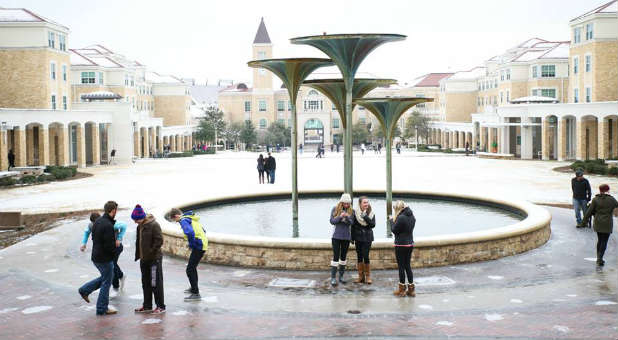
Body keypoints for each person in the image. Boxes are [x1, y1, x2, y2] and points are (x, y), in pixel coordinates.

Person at [78, 201, 118, 315]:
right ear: (113, 210)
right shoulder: (108, 225)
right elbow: (109, 245)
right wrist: (114, 253)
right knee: (107, 282)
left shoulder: (97, 222)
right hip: (104, 258)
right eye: (116, 210)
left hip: (96, 256)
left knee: (107, 278)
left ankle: (85, 290)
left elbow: (94, 239)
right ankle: (102, 308)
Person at [165, 208, 208, 301]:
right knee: (192, 267)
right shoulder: (191, 218)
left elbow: (189, 232)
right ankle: (194, 288)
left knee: (190, 269)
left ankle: (196, 293)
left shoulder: (183, 220)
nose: (176, 222)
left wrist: (192, 244)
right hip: (202, 244)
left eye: (174, 220)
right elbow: (203, 231)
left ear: (176, 216)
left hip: (198, 246)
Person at [132, 204, 166, 314]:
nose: (135, 222)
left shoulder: (154, 225)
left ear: (142, 217)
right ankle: (147, 306)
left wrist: (151, 251)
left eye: (136, 219)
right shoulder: (140, 226)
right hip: (144, 259)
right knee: (145, 283)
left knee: (155, 283)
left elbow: (159, 240)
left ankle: (160, 306)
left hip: (154, 260)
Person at [81, 214, 127, 292]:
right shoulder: (92, 226)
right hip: (107, 248)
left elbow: (124, 226)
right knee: (111, 266)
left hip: (117, 247)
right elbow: (86, 232)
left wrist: (119, 239)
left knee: (112, 265)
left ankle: (116, 286)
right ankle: (121, 276)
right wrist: (84, 243)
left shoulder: (110, 224)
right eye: (95, 223)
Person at [583, 184, 618, 267]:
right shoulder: (612, 199)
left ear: (600, 190)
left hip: (598, 222)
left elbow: (589, 212)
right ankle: (600, 258)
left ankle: (599, 257)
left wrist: (583, 222)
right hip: (607, 223)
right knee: (604, 241)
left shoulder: (595, 199)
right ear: (608, 190)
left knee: (600, 240)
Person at [390, 200, 416, 297]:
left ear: (398, 209)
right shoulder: (412, 216)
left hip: (401, 245)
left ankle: (401, 290)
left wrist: (391, 221)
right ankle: (411, 290)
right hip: (410, 244)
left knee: (401, 267)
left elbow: (394, 230)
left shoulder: (401, 217)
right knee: (407, 266)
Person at [329, 193, 353, 286]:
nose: (346, 205)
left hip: (346, 237)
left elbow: (351, 223)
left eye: (348, 203)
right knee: (336, 256)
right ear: (342, 202)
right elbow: (332, 221)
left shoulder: (351, 211)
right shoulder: (335, 209)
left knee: (343, 257)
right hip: (336, 237)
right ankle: (333, 278)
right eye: (345, 203)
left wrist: (347, 217)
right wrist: (340, 216)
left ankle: (341, 277)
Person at [351, 196, 376, 284]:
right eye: (364, 202)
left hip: (367, 237)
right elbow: (353, 226)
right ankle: (360, 277)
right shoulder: (355, 212)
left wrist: (365, 216)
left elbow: (373, 225)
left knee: (366, 255)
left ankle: (368, 276)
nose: (366, 204)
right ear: (360, 204)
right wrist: (352, 238)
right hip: (358, 237)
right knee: (359, 256)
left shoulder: (371, 213)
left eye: (367, 202)